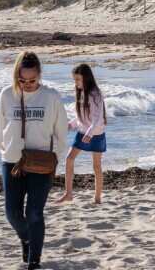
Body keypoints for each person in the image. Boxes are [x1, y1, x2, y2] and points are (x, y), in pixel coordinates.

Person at [0, 50, 68, 270]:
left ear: (40, 75)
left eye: (32, 80)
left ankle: (34, 262)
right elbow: (0, 128)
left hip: (42, 163)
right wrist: (4, 152)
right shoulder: (6, 95)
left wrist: (56, 157)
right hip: (13, 163)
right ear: (16, 75)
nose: (27, 84)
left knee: (34, 213)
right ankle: (27, 238)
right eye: (22, 80)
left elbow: (61, 132)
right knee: (12, 214)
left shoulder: (51, 97)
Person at [58, 63, 106, 205]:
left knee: (96, 166)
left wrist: (90, 133)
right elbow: (82, 117)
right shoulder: (81, 92)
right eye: (75, 80)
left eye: (78, 79)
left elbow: (97, 118)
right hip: (83, 131)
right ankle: (68, 193)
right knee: (69, 158)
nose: (76, 82)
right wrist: (70, 125)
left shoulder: (96, 93)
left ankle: (97, 199)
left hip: (96, 133)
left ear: (86, 78)